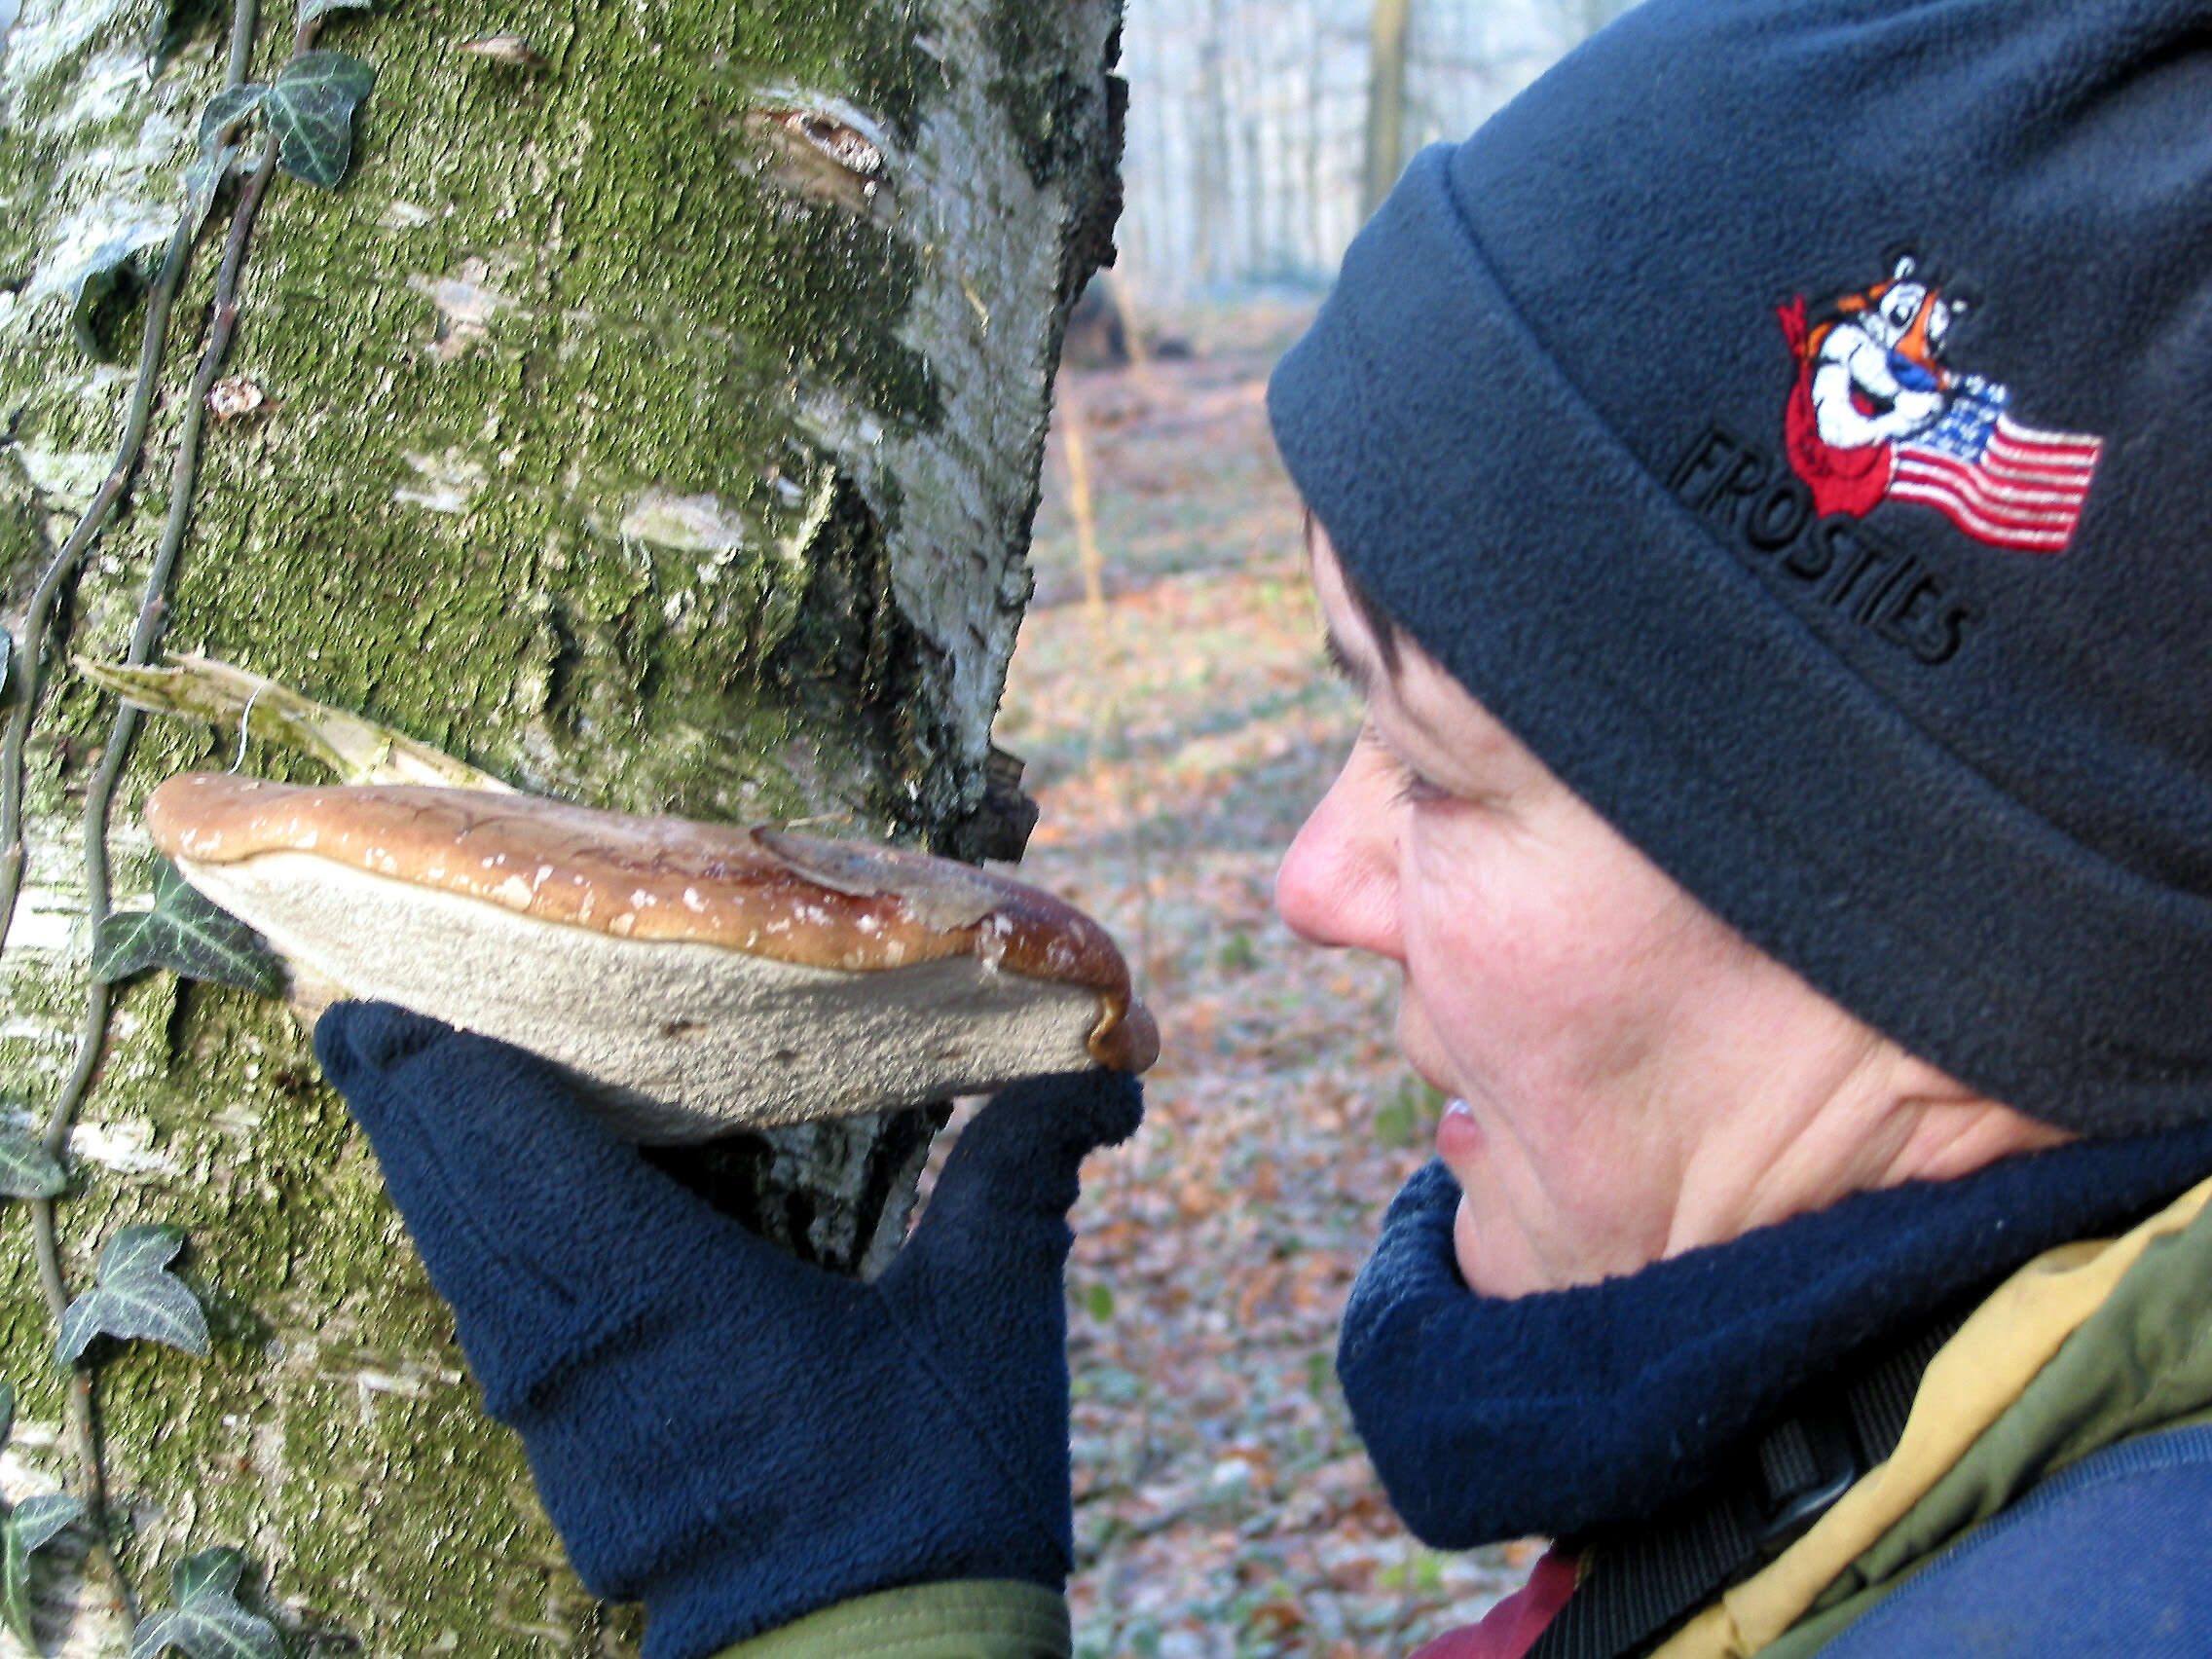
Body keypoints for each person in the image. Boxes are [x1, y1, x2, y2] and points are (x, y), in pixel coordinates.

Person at [310, 0, 2212, 1655]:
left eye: (1442, 765)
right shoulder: (1850, 1513)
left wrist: (842, 1609)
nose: (1312, 883)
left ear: (1965, 921)